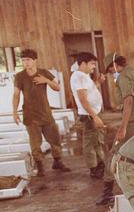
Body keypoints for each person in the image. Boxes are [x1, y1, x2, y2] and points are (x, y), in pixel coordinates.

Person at [96, 52, 134, 206]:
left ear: (114, 65)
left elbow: (128, 101)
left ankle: (107, 192)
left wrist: (122, 127)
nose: (111, 73)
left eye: (110, 70)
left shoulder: (123, 77)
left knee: (115, 152)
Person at [12, 48, 70, 176]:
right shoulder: (20, 76)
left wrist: (46, 81)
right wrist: (14, 111)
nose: (26, 63)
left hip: (45, 113)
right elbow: (16, 94)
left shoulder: (44, 73)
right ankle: (40, 166)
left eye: (28, 60)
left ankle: (57, 161)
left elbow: (57, 87)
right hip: (30, 116)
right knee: (35, 143)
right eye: (23, 60)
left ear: (35, 60)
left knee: (55, 139)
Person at [70, 52, 106, 179]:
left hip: (92, 112)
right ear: (83, 63)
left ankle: (100, 165)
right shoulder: (79, 77)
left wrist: (98, 83)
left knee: (96, 141)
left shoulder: (83, 76)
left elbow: (89, 92)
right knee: (90, 143)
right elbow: (83, 99)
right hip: (89, 114)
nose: (94, 67)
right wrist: (94, 117)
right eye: (92, 64)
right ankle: (94, 169)